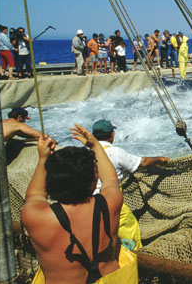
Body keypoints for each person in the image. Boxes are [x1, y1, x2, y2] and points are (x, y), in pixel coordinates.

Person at [22, 124, 138, 284]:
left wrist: (43, 158)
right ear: (93, 181)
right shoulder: (109, 204)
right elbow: (111, 180)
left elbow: (35, 195)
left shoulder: (36, 216)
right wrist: (95, 144)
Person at [91, 120, 169, 250]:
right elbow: (142, 162)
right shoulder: (115, 152)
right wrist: (160, 159)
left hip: (87, 202)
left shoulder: (85, 152)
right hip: (110, 201)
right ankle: (136, 255)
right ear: (112, 134)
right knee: (128, 228)